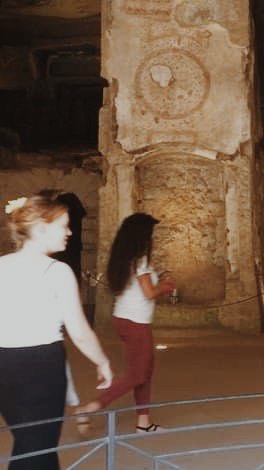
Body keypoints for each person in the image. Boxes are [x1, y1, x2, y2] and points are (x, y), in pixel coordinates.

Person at [0, 194, 112, 469]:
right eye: (63, 226)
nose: (70, 232)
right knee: (36, 447)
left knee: (31, 442)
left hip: (3, 363)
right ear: (40, 229)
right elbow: (80, 331)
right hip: (41, 366)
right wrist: (102, 361)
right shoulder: (57, 271)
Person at [76, 212, 174, 433]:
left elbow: (140, 286)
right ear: (142, 235)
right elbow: (148, 293)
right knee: (137, 374)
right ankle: (91, 407)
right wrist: (165, 286)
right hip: (136, 322)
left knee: (145, 371)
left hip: (125, 318)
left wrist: (158, 275)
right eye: (151, 234)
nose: (153, 238)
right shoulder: (140, 260)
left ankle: (143, 423)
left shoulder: (126, 258)